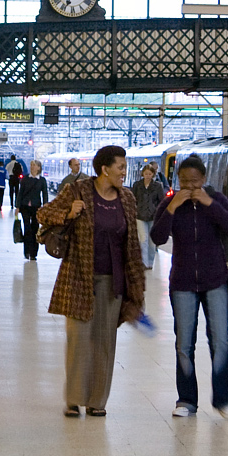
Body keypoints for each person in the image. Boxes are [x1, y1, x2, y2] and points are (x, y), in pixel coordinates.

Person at [38, 143, 144, 416]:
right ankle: (74, 398)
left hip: (114, 281)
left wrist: (137, 289)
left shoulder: (127, 198)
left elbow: (131, 245)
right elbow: (43, 214)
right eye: (120, 167)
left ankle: (98, 401)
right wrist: (68, 214)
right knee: (78, 339)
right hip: (79, 277)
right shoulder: (78, 191)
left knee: (104, 342)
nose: (124, 172)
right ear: (104, 169)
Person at [149, 156, 228, 417]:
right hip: (183, 282)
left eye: (194, 182)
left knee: (220, 341)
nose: (189, 187)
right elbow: (156, 237)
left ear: (203, 179)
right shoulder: (171, 203)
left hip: (216, 281)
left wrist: (209, 204)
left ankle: (223, 400)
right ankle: (187, 400)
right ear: (178, 181)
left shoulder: (217, 200)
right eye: (184, 182)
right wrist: (171, 208)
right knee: (184, 343)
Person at [11, 158, 46, 259]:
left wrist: (45, 207)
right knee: (27, 229)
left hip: (36, 208)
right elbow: (20, 193)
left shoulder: (42, 180)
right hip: (25, 207)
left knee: (35, 229)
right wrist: (17, 206)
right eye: (31, 165)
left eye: (34, 165)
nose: (32, 167)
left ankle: (34, 253)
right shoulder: (25, 179)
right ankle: (27, 251)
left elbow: (45, 195)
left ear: (38, 168)